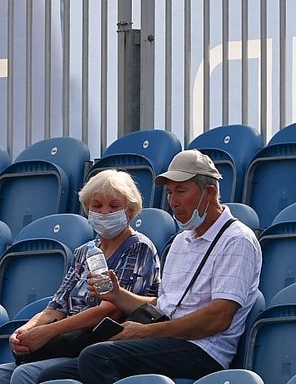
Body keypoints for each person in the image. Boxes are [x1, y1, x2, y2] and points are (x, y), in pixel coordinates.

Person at [37, 151, 262, 384]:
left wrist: (144, 332)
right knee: (52, 376)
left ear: (209, 192)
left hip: (202, 349)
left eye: (181, 191)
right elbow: (164, 304)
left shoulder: (237, 240)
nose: (173, 201)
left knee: (97, 357)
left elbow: (218, 318)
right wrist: (117, 295)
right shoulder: (180, 240)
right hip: (166, 338)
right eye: (170, 192)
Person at [1, 170, 160, 384]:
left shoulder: (139, 247)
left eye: (114, 206)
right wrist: (25, 330)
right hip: (69, 342)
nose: (104, 212)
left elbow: (111, 309)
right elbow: (56, 307)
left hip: (101, 347)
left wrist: (48, 332)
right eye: (97, 206)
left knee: (25, 375)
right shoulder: (85, 251)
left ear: (130, 212)